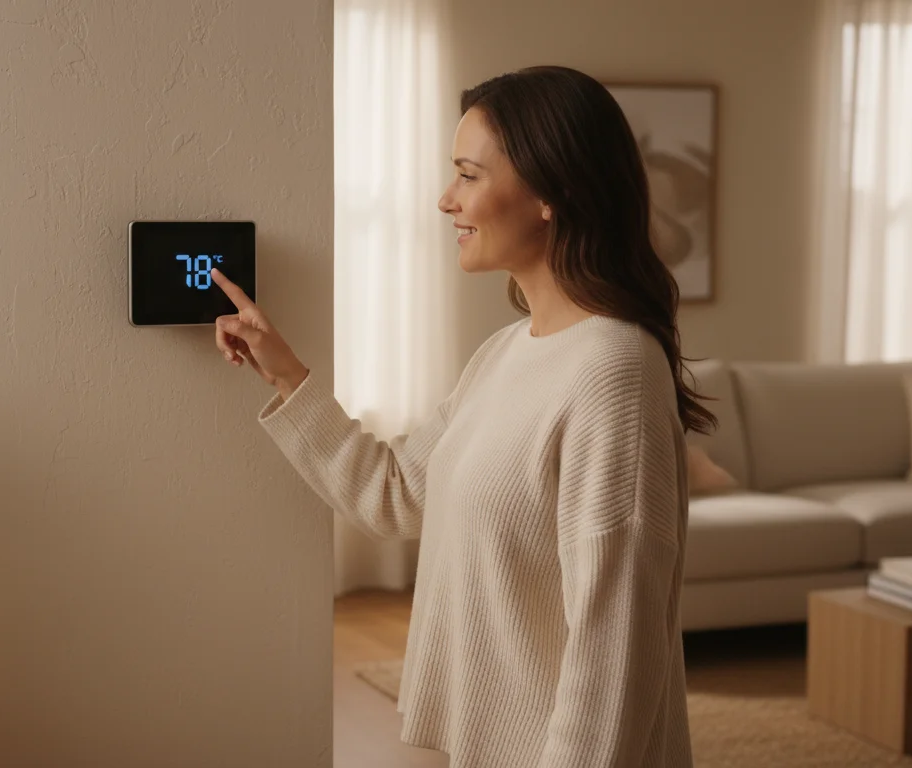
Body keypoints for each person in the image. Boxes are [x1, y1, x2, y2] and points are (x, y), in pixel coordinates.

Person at [210, 65, 714, 768]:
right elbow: (397, 495)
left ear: (552, 191)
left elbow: (613, 659)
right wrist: (285, 372)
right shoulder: (505, 354)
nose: (445, 199)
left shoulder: (615, 372)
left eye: (469, 175)